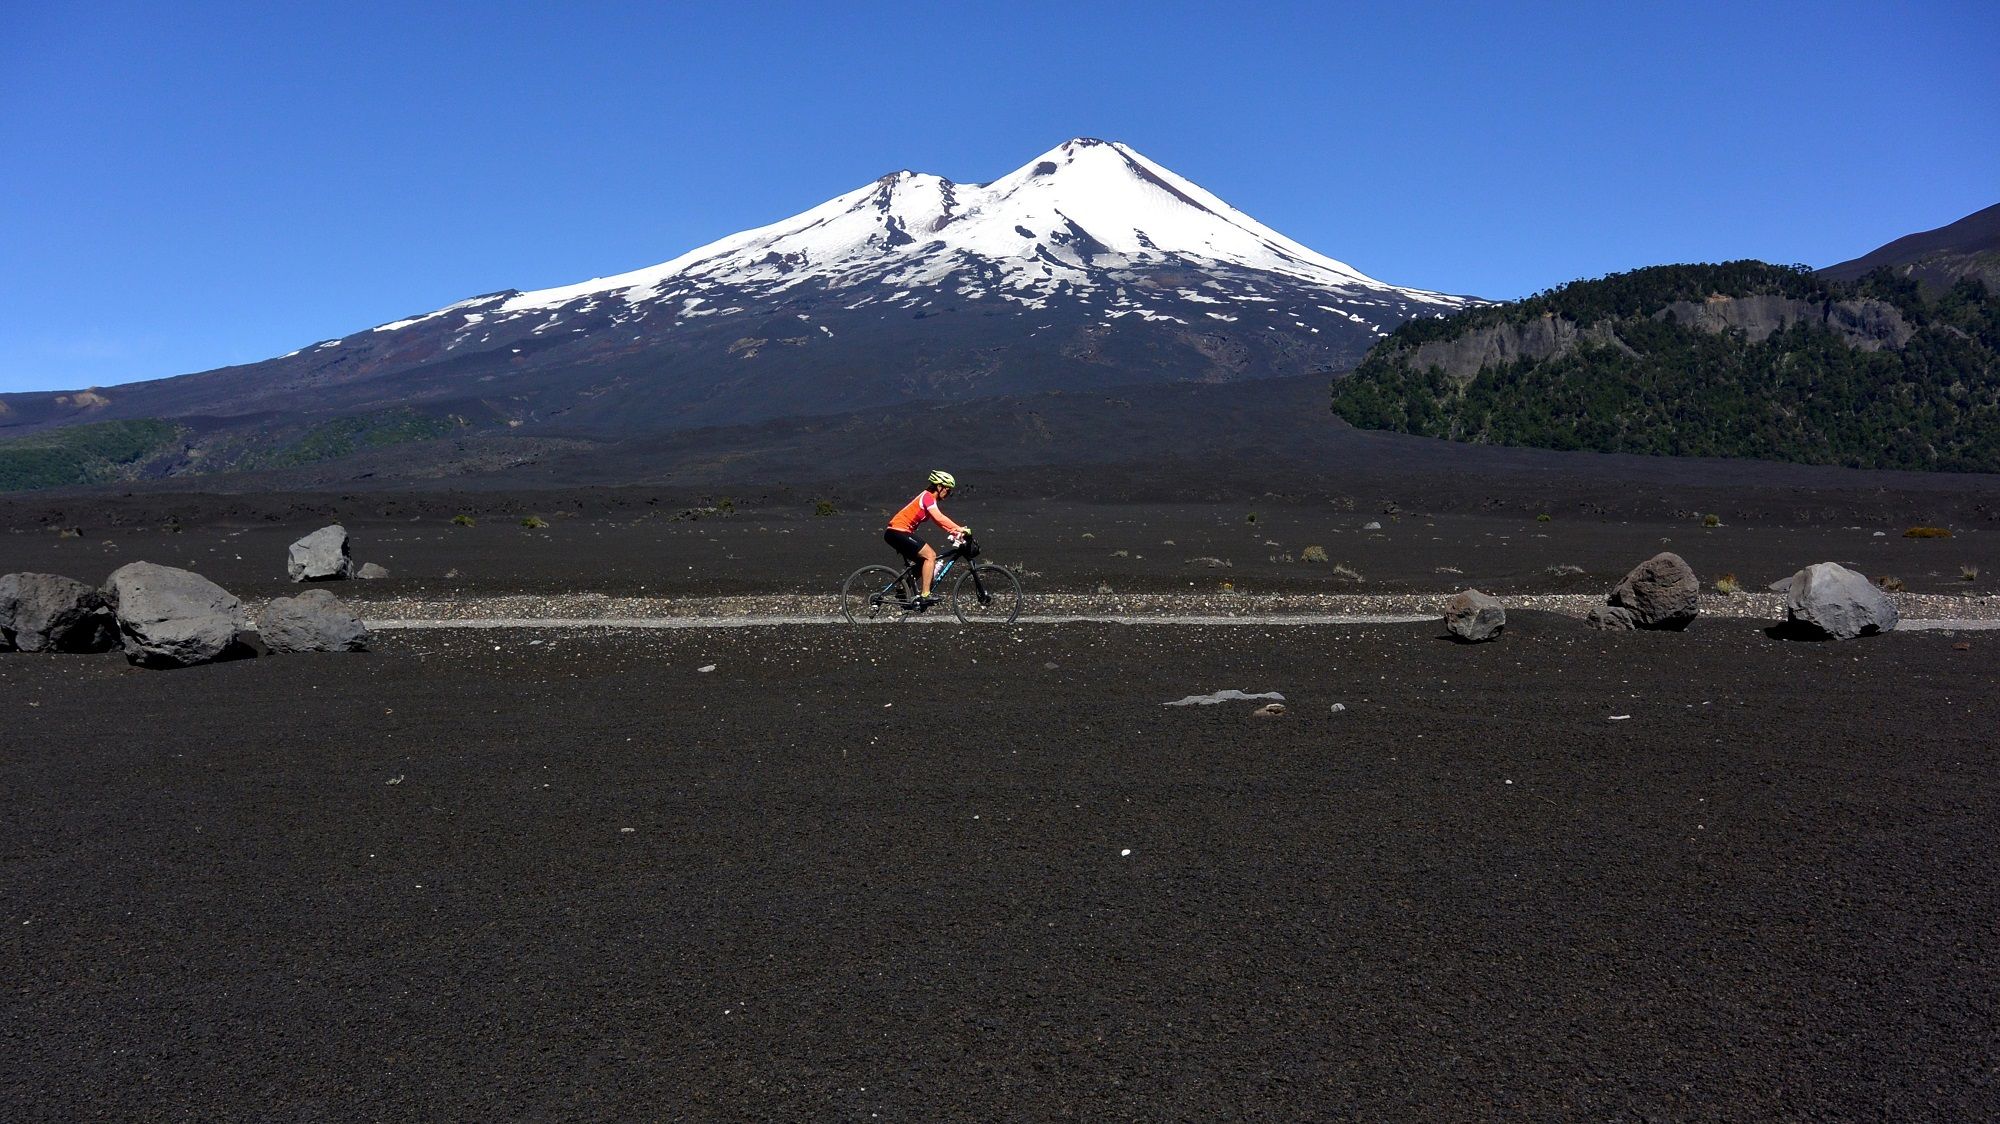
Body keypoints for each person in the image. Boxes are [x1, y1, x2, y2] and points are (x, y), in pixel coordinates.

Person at [884, 470, 971, 605]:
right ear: (939, 486)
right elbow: (939, 517)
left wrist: (954, 532)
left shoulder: (929, 499)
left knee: (923, 561)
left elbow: (938, 521)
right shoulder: (928, 497)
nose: (948, 494)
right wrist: (959, 528)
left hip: (898, 533)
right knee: (930, 556)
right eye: (947, 490)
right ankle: (925, 594)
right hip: (897, 532)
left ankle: (903, 589)